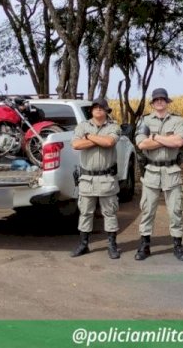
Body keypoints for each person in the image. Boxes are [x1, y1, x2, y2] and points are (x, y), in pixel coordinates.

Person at [134, 88, 183, 261]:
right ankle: (144, 245)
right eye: (156, 99)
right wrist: (166, 140)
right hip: (151, 171)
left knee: (175, 210)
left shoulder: (178, 120)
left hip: (172, 171)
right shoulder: (144, 120)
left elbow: (179, 141)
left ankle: (178, 246)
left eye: (162, 99)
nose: (159, 102)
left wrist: (155, 137)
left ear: (167, 101)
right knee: (148, 209)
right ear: (152, 102)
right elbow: (142, 144)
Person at [70, 98, 122, 259]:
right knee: (85, 212)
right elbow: (76, 145)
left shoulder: (114, 126)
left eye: (102, 108)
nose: (98, 110)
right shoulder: (82, 126)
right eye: (95, 107)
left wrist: (88, 137)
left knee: (110, 212)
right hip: (87, 178)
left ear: (107, 111)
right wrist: (97, 139)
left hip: (107, 178)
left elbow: (109, 142)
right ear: (91, 110)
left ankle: (112, 245)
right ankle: (83, 244)